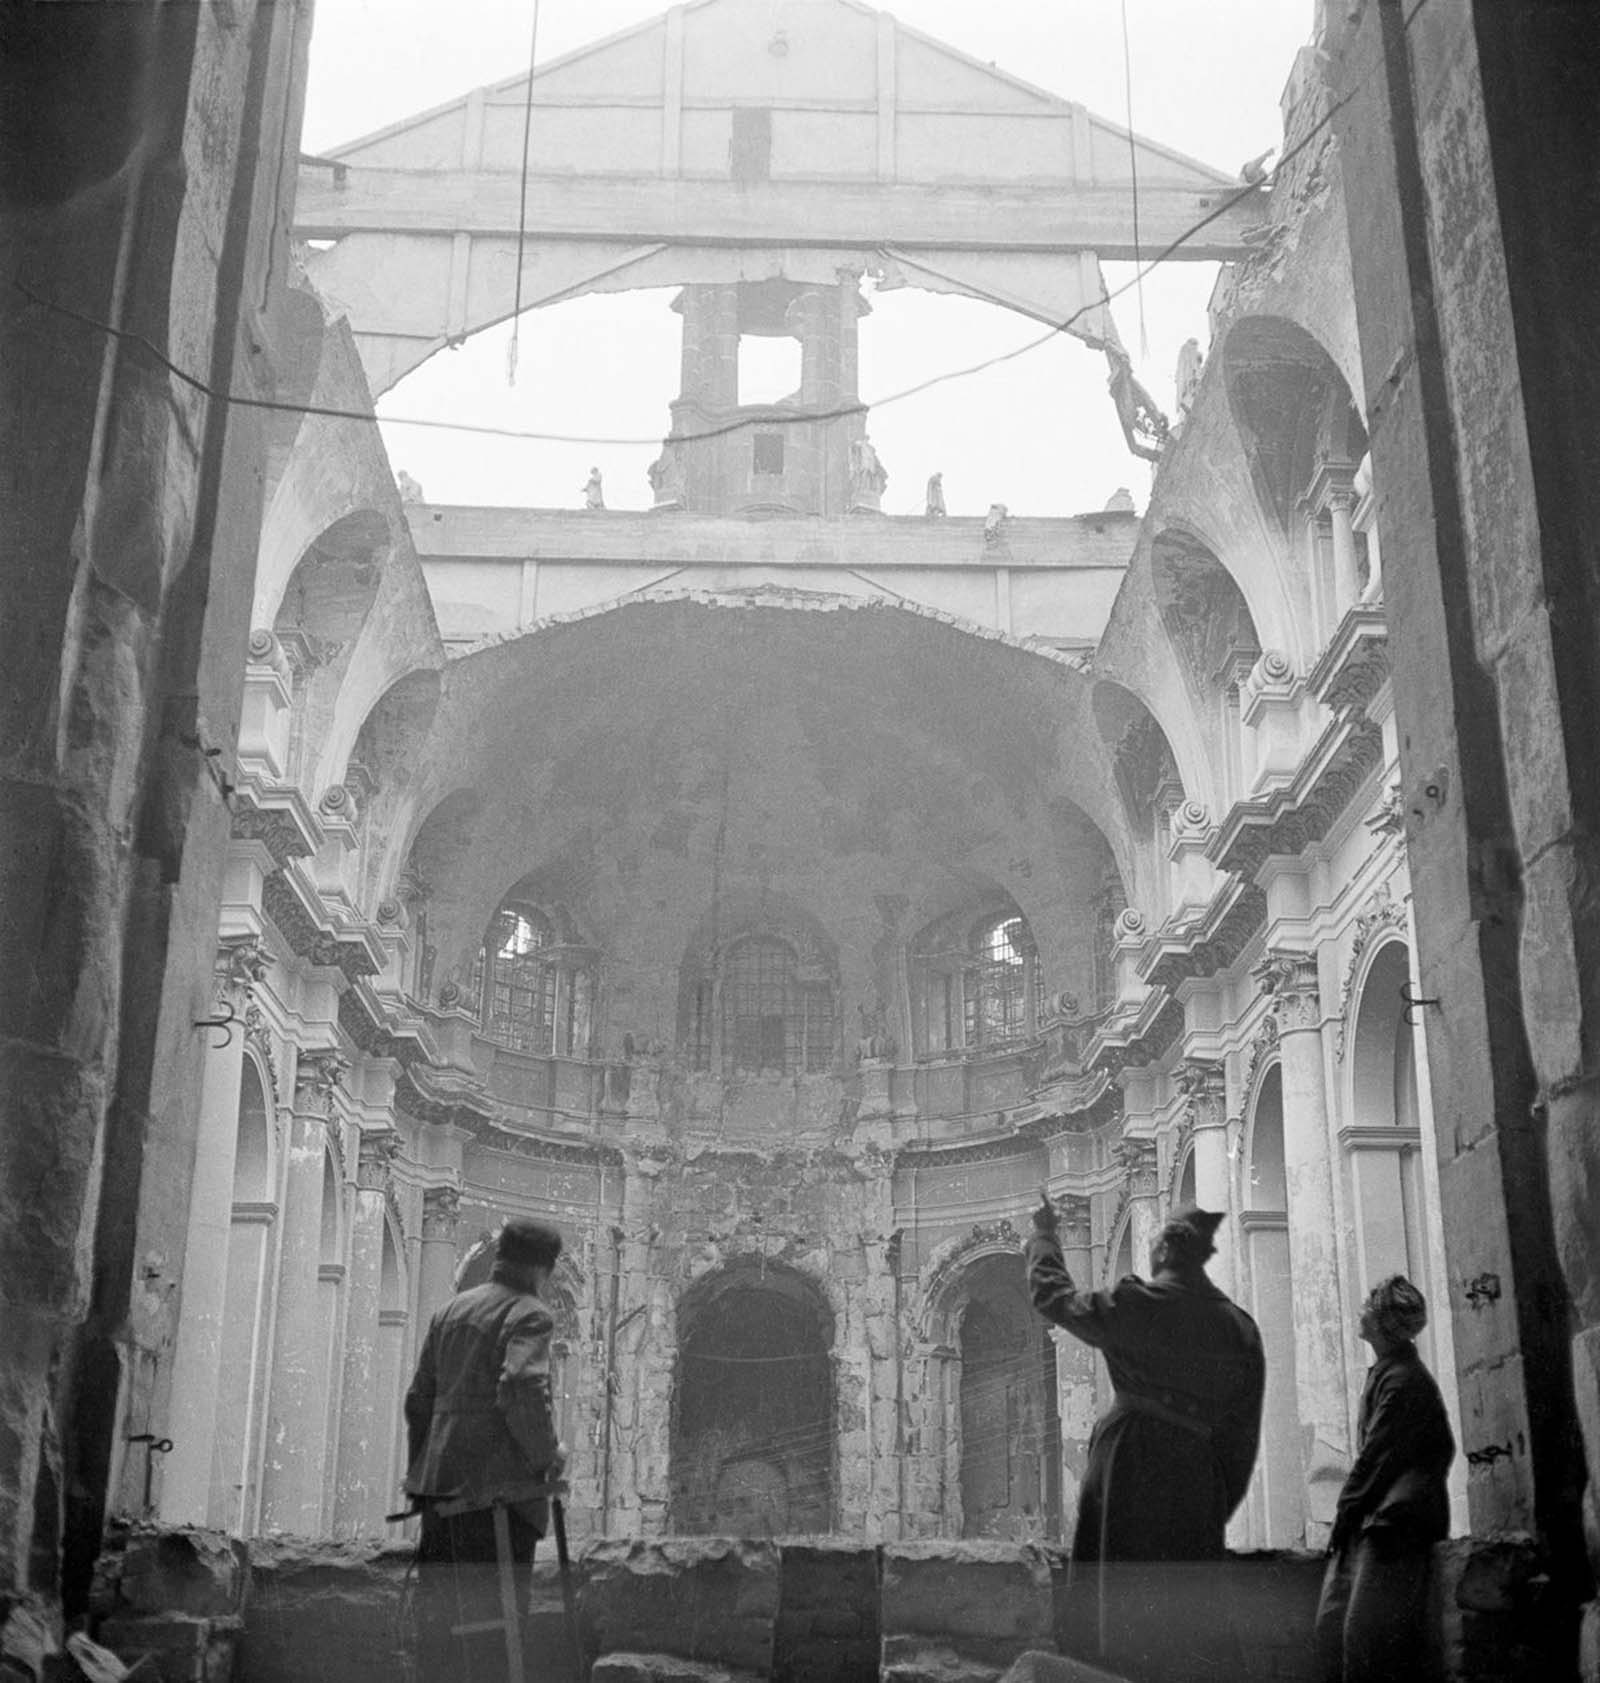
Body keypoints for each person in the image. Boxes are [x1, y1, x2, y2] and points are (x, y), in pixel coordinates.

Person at [1027, 1194, 1266, 1564]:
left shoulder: (1135, 1302)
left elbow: (1055, 1298)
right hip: (1197, 1476)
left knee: (1119, 1595)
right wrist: (1214, 1499)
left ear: (1167, 1251)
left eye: (1154, 1245)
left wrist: (1044, 1237)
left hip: (1127, 1462)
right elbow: (1242, 1438)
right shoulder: (1239, 1326)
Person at [404, 1217, 566, 1681]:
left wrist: (420, 1472)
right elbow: (521, 1386)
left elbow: (418, 1401)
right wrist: (547, 1454)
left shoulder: (450, 1312)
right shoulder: (530, 1314)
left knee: (438, 1627)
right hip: (499, 1497)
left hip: (439, 1492)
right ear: (543, 1269)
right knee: (498, 1633)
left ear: (499, 1256)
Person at [1315, 1276, 1454, 1683]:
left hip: (1393, 1523)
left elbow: (1376, 1457)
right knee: (1335, 1630)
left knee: (1365, 1642)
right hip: (1375, 1520)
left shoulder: (1402, 1381)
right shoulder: (1389, 1373)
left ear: (1382, 1323)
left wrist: (1344, 1515)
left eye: (1369, 1306)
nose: (1361, 1310)